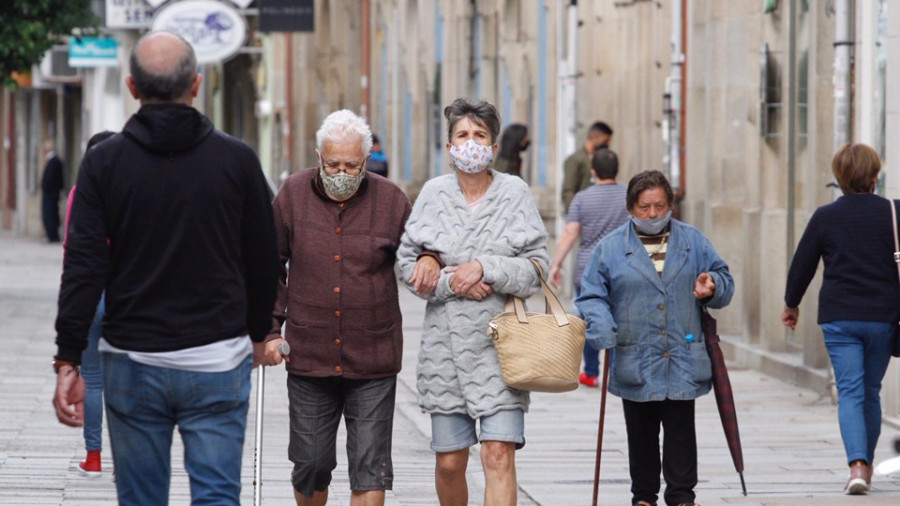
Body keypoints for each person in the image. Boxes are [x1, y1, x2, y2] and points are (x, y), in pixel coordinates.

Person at [52, 31, 279, 505]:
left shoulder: (104, 163)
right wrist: (259, 334)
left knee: (141, 498)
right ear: (196, 84)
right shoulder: (236, 160)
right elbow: (264, 256)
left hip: (133, 360)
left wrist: (69, 356)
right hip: (218, 358)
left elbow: (84, 266)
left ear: (133, 88)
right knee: (217, 495)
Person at [396, 98, 550, 506]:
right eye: (462, 135)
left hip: (502, 347)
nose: (471, 143)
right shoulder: (433, 195)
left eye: (479, 135)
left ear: (494, 147)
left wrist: (486, 268)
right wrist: (453, 281)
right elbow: (407, 264)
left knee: (498, 453)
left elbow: (537, 268)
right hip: (445, 349)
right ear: (449, 146)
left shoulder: (514, 194)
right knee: (450, 461)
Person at [260, 110, 411, 506]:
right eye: (332, 164)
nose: (341, 172)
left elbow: (416, 254)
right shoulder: (291, 196)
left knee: (370, 469)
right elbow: (268, 265)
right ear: (317, 157)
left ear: (367, 159)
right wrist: (271, 331)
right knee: (310, 466)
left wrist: (428, 259)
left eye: (351, 165)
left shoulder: (392, 201)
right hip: (310, 354)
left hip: (373, 356)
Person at [576, 170, 734, 506]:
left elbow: (724, 279)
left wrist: (713, 286)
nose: (652, 214)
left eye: (659, 206)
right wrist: (601, 326)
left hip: (681, 353)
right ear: (630, 207)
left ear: (670, 205)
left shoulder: (693, 241)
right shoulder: (611, 248)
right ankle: (644, 496)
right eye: (644, 207)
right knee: (641, 432)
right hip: (635, 354)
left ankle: (682, 496)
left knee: (680, 429)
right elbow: (590, 295)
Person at [781, 143, 900, 495]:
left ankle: (857, 465)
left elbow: (802, 264)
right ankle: (866, 464)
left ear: (839, 178)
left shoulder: (825, 216)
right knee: (870, 391)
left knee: (849, 390)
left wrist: (791, 304)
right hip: (884, 317)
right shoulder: (895, 213)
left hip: (839, 317)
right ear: (875, 176)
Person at [548, 149, 630, 388]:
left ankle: (591, 372)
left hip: (587, 269)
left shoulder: (582, 198)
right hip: (621, 267)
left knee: (588, 320)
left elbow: (570, 233)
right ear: (617, 170)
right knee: (619, 321)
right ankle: (615, 372)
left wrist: (557, 264)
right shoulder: (628, 196)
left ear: (593, 172)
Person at [61, 130, 116, 477]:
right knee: (127, 381)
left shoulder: (80, 194)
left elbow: (71, 250)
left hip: (92, 295)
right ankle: (124, 463)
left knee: (93, 379)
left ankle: (93, 458)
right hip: (129, 297)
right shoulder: (133, 192)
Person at [561, 121, 613, 212]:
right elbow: (568, 191)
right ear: (593, 137)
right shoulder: (576, 160)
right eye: (605, 141)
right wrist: (575, 214)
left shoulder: (600, 159)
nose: (607, 145)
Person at [41, 139, 65, 243]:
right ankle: (51, 235)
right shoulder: (54, 161)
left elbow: (51, 179)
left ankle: (52, 236)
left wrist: (47, 187)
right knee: (51, 214)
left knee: (50, 214)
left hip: (51, 193)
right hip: (52, 192)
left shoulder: (53, 161)